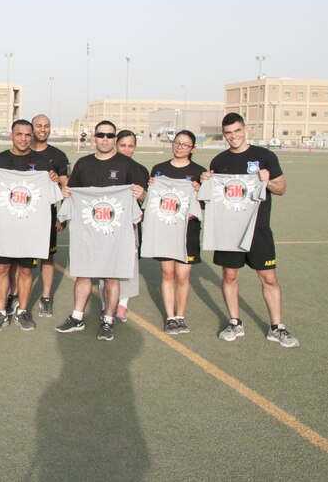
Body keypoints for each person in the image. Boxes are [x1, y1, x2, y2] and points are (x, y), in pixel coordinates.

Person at [200, 113, 299, 347]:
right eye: (228, 133)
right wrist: (206, 180)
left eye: (237, 131)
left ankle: (277, 327)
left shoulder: (264, 156)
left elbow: (281, 188)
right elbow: (211, 196)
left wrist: (268, 180)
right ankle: (235, 322)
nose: (233, 136)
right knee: (230, 275)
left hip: (258, 228)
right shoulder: (219, 161)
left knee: (269, 277)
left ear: (246, 129)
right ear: (224, 134)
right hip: (229, 229)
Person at [56, 120, 146, 342]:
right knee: (83, 274)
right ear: (94, 137)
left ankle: (108, 319)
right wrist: (66, 197)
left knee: (111, 277)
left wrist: (140, 194)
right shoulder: (83, 164)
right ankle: (77, 317)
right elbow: (72, 192)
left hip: (116, 233)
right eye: (101, 135)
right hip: (87, 232)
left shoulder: (127, 165)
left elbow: (142, 200)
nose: (105, 139)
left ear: (115, 138)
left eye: (109, 135)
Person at [0, 119, 61, 332]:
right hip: (5, 228)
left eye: (28, 135)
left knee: (26, 272)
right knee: (1, 269)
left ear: (32, 136)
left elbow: (54, 195)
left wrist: (53, 180)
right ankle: (0, 312)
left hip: (30, 230)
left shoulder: (43, 163)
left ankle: (22, 311)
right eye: (19, 134)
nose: (24, 138)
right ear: (11, 136)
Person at [148, 130, 206, 335]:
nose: (180, 147)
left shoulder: (199, 171)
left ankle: (181, 316)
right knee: (167, 273)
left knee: (182, 275)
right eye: (177, 143)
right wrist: (151, 188)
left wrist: (200, 190)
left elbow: (205, 204)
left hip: (188, 229)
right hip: (164, 227)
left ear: (193, 148)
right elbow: (152, 200)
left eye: (185, 144)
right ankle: (170, 317)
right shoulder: (158, 170)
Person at [108, 129, 150, 322]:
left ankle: (123, 304)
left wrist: (141, 194)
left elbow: (144, 200)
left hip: (129, 225)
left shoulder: (140, 170)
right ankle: (105, 304)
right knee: (105, 265)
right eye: (123, 145)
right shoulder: (104, 165)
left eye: (130, 146)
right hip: (106, 224)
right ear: (117, 145)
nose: (126, 150)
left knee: (128, 265)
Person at [30, 114, 69, 318]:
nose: (43, 129)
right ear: (32, 128)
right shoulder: (22, 152)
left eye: (46, 126)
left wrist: (62, 215)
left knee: (47, 257)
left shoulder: (58, 156)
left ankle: (45, 297)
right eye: (39, 126)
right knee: (20, 257)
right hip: (23, 215)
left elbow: (66, 187)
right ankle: (16, 295)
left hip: (48, 213)